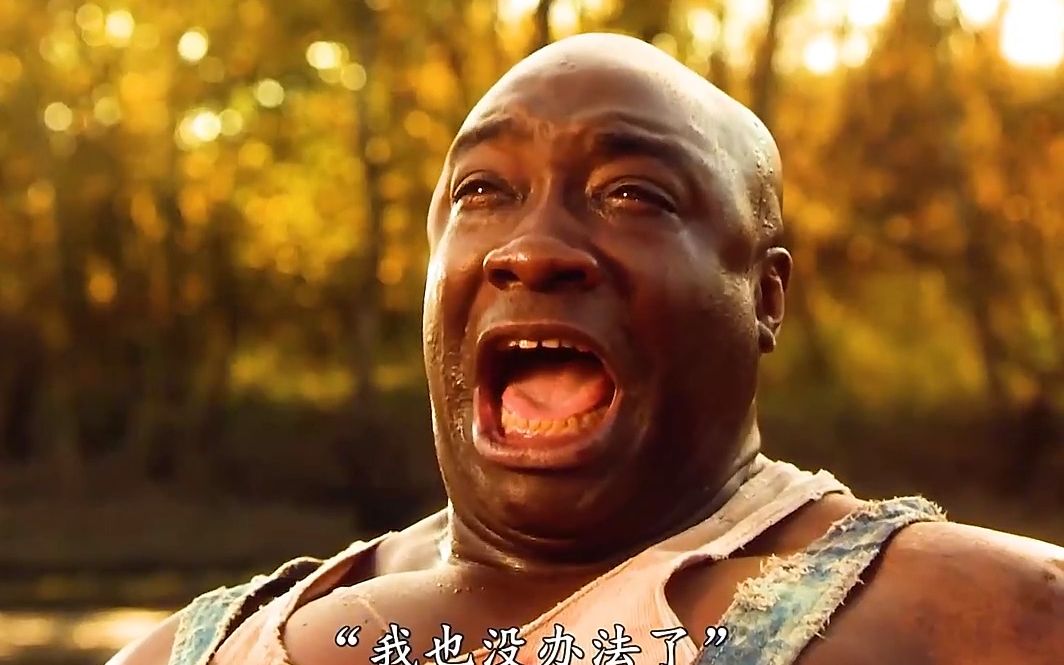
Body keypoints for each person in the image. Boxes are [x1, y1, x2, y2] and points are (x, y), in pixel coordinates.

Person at [108, 33, 1063, 665]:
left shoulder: (996, 621)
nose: (531, 249)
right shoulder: (185, 650)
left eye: (633, 194)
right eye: (484, 191)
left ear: (765, 295)